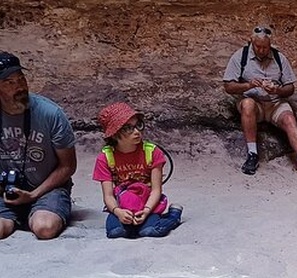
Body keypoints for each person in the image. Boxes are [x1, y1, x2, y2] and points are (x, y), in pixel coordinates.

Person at [222, 25, 297, 176]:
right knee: (248, 104)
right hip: (254, 103)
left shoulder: (279, 58)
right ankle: (252, 155)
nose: (261, 50)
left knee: (288, 117)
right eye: (258, 47)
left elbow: (290, 88)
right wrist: (248, 85)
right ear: (251, 42)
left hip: (274, 103)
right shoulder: (240, 56)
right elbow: (228, 86)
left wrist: (278, 90)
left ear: (270, 45)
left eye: (265, 47)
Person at [0, 51, 76, 240]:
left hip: (45, 189)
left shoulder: (50, 113)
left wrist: (33, 195)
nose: (19, 86)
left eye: (21, 79)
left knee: (44, 228)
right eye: (9, 82)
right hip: (4, 192)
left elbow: (68, 166)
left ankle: (40, 211)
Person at [93, 102, 182, 238]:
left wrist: (146, 211)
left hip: (148, 204)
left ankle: (173, 216)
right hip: (123, 205)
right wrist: (118, 212)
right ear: (115, 134)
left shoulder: (152, 152)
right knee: (115, 232)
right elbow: (108, 196)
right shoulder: (105, 158)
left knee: (150, 231)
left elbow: (156, 190)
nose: (137, 132)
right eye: (128, 128)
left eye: (138, 125)